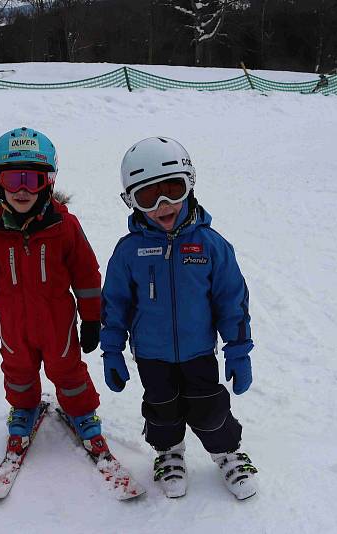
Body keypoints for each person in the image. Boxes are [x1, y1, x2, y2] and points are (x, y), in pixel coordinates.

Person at [100, 137, 257, 500]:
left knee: (210, 409)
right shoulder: (129, 251)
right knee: (161, 409)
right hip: (152, 356)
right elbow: (115, 304)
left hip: (199, 350)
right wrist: (111, 350)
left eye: (173, 189)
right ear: (131, 201)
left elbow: (232, 300)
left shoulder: (211, 245)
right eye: (147, 197)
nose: (162, 204)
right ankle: (168, 453)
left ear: (190, 184)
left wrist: (238, 350)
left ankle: (227, 453)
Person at [0, 127, 106, 457]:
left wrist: (91, 320)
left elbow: (87, 276)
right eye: (13, 179)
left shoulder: (65, 227)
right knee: (17, 371)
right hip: (13, 323)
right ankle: (23, 408)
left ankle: (82, 411)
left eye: (32, 180)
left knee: (67, 369)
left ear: (48, 182)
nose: (21, 190)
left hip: (57, 322)